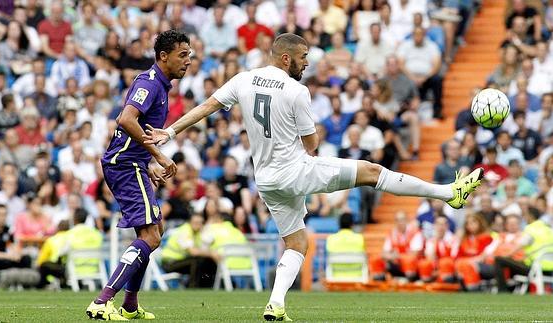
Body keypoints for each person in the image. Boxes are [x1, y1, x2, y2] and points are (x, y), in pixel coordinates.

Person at [143, 33, 483, 321]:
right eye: (304, 58)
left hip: (266, 181)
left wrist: (169, 132)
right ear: (287, 58)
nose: (308, 64)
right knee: (371, 171)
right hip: (295, 171)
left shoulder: (243, 79)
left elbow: (206, 107)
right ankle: (448, 193)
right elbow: (312, 144)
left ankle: (275, 305)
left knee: (297, 243)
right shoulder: (296, 91)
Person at [85, 30, 191, 321]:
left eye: (190, 55)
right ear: (163, 56)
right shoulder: (149, 82)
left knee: (155, 230)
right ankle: (102, 301)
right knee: (151, 236)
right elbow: (126, 119)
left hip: (133, 163)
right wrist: (157, 155)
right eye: (183, 55)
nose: (188, 61)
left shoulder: (161, 85)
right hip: (124, 164)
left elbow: (137, 129)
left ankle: (130, 305)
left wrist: (148, 163)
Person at [161, 213, 218, 288]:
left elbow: (208, 244)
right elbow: (193, 252)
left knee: (208, 261)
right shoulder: (185, 231)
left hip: (181, 261)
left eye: (200, 223)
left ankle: (207, 287)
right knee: (196, 261)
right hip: (169, 262)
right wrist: (211, 254)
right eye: (195, 223)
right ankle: (193, 287)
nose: (198, 225)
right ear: (189, 222)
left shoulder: (197, 233)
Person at [326, 213, 365, 279]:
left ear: (339, 224)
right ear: (352, 224)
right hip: (356, 274)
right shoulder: (360, 238)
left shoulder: (331, 239)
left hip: (336, 274)